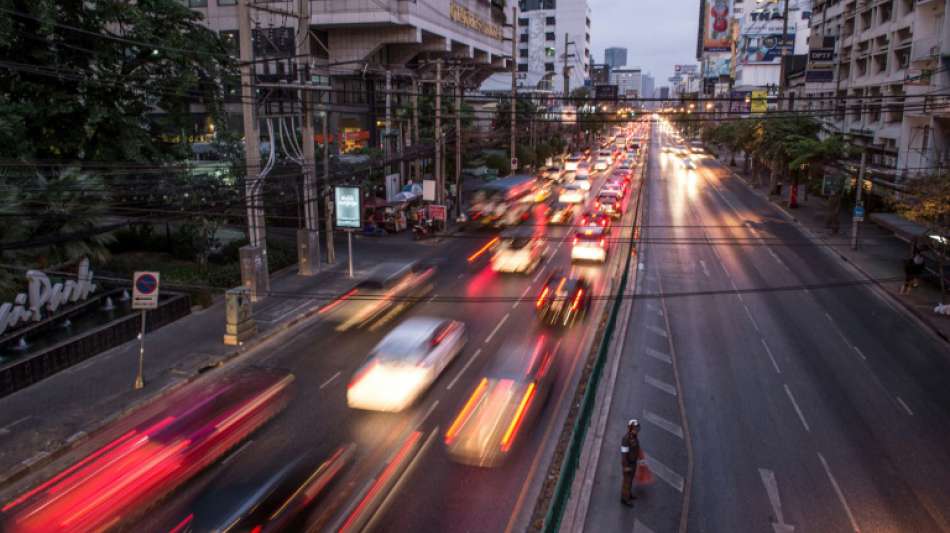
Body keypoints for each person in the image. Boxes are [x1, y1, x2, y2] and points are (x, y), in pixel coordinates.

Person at [620, 418, 641, 507]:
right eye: (635, 429)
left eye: (637, 429)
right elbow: (624, 455)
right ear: (630, 429)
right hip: (628, 464)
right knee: (627, 481)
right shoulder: (626, 439)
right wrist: (626, 466)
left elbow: (635, 448)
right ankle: (625, 499)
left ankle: (628, 494)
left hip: (633, 462)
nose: (637, 431)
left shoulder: (634, 437)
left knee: (630, 480)